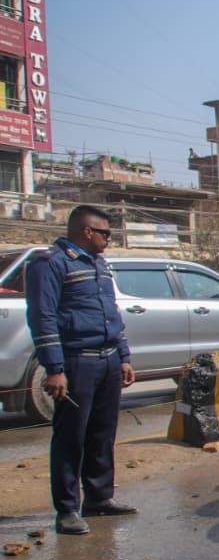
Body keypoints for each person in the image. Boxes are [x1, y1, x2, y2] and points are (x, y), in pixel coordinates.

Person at [25, 205, 137, 535]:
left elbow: (110, 314)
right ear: (86, 232)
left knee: (102, 433)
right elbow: (42, 317)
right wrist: (54, 369)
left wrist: (124, 356)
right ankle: (67, 509)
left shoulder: (99, 265)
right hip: (77, 361)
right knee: (71, 437)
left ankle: (99, 498)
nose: (109, 238)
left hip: (108, 360)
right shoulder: (50, 264)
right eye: (105, 232)